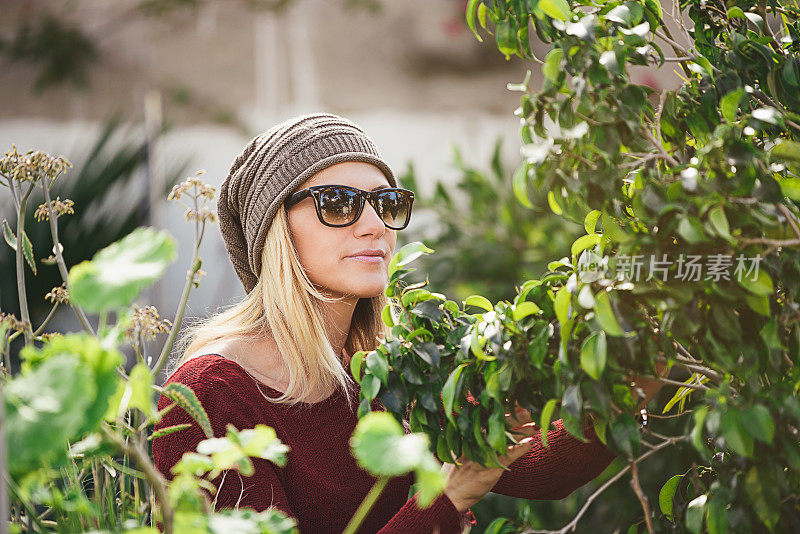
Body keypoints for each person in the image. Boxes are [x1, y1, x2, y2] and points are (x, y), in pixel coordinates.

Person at [152, 112, 655, 533]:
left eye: (386, 203)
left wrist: (653, 357)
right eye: (338, 203)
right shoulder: (206, 398)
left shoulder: (393, 366)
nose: (374, 224)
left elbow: (540, 471)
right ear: (275, 230)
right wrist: (447, 498)